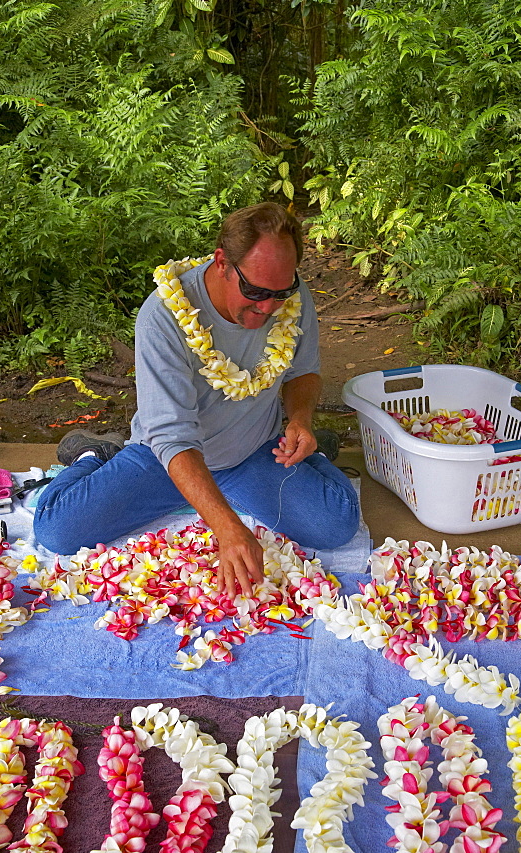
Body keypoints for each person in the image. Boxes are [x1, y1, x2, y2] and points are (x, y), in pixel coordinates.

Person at [34, 203, 359, 596]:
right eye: (255, 291)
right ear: (222, 262)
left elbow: (302, 372)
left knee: (337, 524)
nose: (267, 307)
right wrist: (227, 528)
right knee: (58, 530)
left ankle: (314, 447)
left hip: (252, 451)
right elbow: (172, 437)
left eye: (280, 292)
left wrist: (300, 419)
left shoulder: (290, 296)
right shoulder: (164, 315)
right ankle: (93, 455)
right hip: (168, 460)